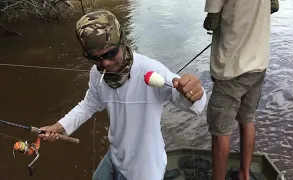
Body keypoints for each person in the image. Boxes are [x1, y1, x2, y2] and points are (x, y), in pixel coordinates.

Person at [38, 10, 207, 180]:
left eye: (110, 53)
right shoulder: (97, 73)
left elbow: (191, 105)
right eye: (94, 58)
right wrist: (59, 127)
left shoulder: (150, 70)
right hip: (114, 156)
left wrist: (195, 94)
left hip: (144, 169)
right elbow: (89, 104)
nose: (105, 63)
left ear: (123, 41)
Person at [203, 0, 278, 179]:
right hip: (259, 63)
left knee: (221, 131)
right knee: (247, 119)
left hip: (231, 69)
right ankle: (244, 174)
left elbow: (211, 22)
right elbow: (274, 7)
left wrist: (213, 23)